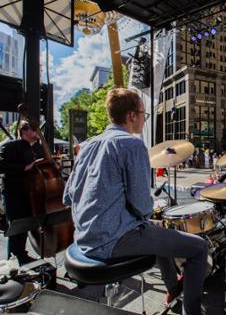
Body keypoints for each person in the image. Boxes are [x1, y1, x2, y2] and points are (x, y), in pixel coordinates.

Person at [63, 89, 208, 314]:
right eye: (143, 113)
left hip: (84, 236)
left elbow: (67, 196)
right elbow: (142, 206)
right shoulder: (131, 144)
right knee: (199, 247)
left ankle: (173, 287)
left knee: (157, 230)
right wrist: (147, 213)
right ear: (131, 116)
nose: (143, 119)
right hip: (112, 240)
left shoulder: (88, 146)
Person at [0, 121, 44, 264]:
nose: (37, 133)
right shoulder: (10, 146)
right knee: (17, 227)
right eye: (34, 130)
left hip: (29, 193)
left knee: (25, 226)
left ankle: (21, 255)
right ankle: (13, 259)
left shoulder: (36, 148)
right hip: (14, 193)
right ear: (24, 131)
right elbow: (1, 166)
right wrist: (26, 167)